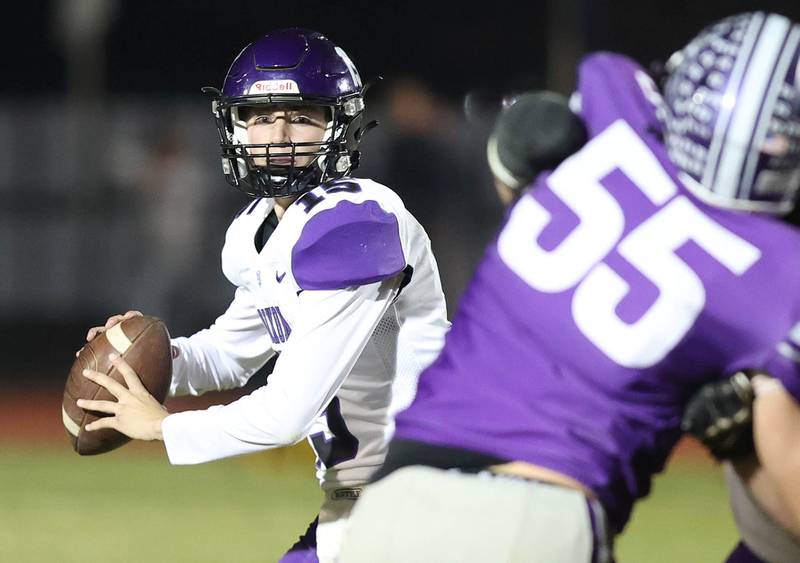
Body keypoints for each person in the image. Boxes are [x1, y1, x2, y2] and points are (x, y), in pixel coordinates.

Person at [337, 11, 800, 563]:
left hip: (392, 500)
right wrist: (740, 444)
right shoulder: (776, 272)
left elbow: (521, 171)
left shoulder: (610, 104)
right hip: (535, 518)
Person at [78, 28, 450, 563]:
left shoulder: (355, 221)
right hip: (371, 500)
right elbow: (230, 354)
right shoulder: (259, 232)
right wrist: (144, 362)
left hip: (429, 496)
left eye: (300, 116)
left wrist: (162, 427)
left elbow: (287, 413)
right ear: (235, 128)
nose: (277, 134)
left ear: (337, 126)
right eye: (259, 117)